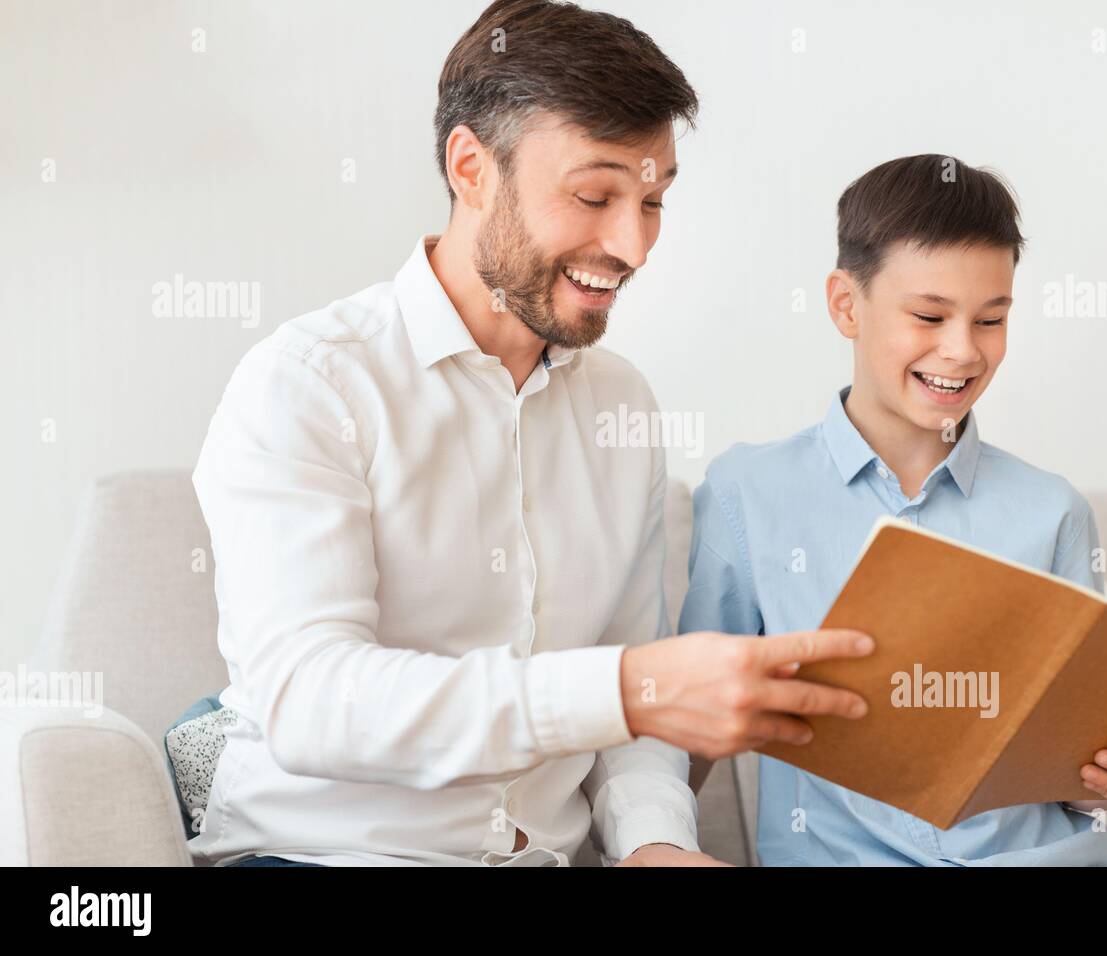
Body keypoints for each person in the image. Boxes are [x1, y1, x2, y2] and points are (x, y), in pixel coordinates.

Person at [177, 0, 871, 868]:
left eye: (652, 201)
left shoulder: (621, 405)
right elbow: (313, 698)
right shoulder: (310, 384)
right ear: (471, 167)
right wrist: (623, 689)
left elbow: (634, 714)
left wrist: (657, 843)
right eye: (595, 194)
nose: (633, 244)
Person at [678, 154, 1107, 866]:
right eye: (929, 315)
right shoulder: (749, 493)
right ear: (845, 304)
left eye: (992, 319)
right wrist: (652, 842)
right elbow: (681, 726)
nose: (962, 351)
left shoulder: (1052, 511)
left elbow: (1070, 766)